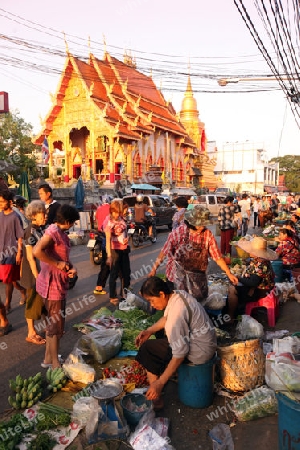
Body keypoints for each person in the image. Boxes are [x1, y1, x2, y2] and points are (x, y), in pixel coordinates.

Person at [135, 276, 217, 410]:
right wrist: (149, 331)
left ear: (161, 294)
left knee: (147, 349)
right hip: (206, 343)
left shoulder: (176, 315)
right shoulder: (178, 294)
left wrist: (160, 383)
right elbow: (166, 318)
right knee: (159, 334)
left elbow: (180, 354)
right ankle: (166, 372)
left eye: (151, 300)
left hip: (200, 352)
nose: (152, 305)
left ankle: (156, 398)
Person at [149, 205, 238, 303]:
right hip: (176, 278)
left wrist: (229, 274)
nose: (202, 227)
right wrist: (154, 269)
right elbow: (164, 252)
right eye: (199, 224)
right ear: (191, 222)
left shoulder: (207, 234)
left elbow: (217, 257)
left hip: (198, 280)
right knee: (179, 307)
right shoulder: (178, 233)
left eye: (204, 224)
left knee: (197, 306)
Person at [33, 204, 79, 369]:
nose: (73, 226)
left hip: (58, 284)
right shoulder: (53, 232)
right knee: (55, 327)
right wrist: (57, 264)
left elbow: (63, 256)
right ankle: (54, 363)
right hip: (52, 287)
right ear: (66, 221)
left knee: (53, 325)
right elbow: (37, 251)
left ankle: (48, 358)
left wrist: (70, 267)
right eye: (72, 222)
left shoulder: (59, 232)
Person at [227, 236, 277, 321]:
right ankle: (237, 310)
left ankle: (230, 317)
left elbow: (253, 282)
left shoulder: (261, 264)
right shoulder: (260, 260)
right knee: (235, 286)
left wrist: (238, 278)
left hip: (259, 292)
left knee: (232, 290)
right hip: (261, 288)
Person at [20, 200, 47, 344]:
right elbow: (30, 257)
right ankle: (31, 332)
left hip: (40, 270)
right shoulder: (30, 231)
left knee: (41, 301)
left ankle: (48, 327)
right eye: (43, 213)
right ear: (35, 215)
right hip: (33, 272)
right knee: (32, 301)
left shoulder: (39, 229)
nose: (45, 216)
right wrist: (38, 276)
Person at [0, 190, 26, 314]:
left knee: (7, 280)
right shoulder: (0, 215)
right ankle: (23, 291)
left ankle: (7, 304)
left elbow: (20, 236)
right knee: (12, 281)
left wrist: (19, 252)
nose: (0, 204)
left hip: (11, 252)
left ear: (10, 202)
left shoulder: (15, 217)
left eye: (2, 202)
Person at [105, 199, 131, 306]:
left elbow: (125, 233)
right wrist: (109, 256)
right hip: (114, 250)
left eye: (117, 212)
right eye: (114, 212)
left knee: (126, 273)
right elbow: (107, 240)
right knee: (114, 274)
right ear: (111, 211)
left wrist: (127, 239)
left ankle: (124, 294)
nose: (116, 214)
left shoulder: (122, 219)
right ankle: (112, 295)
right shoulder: (109, 222)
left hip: (124, 249)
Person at [93, 199, 110, 295]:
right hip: (108, 239)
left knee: (105, 265)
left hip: (100, 232)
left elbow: (96, 218)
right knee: (107, 265)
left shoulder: (99, 208)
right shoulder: (111, 209)